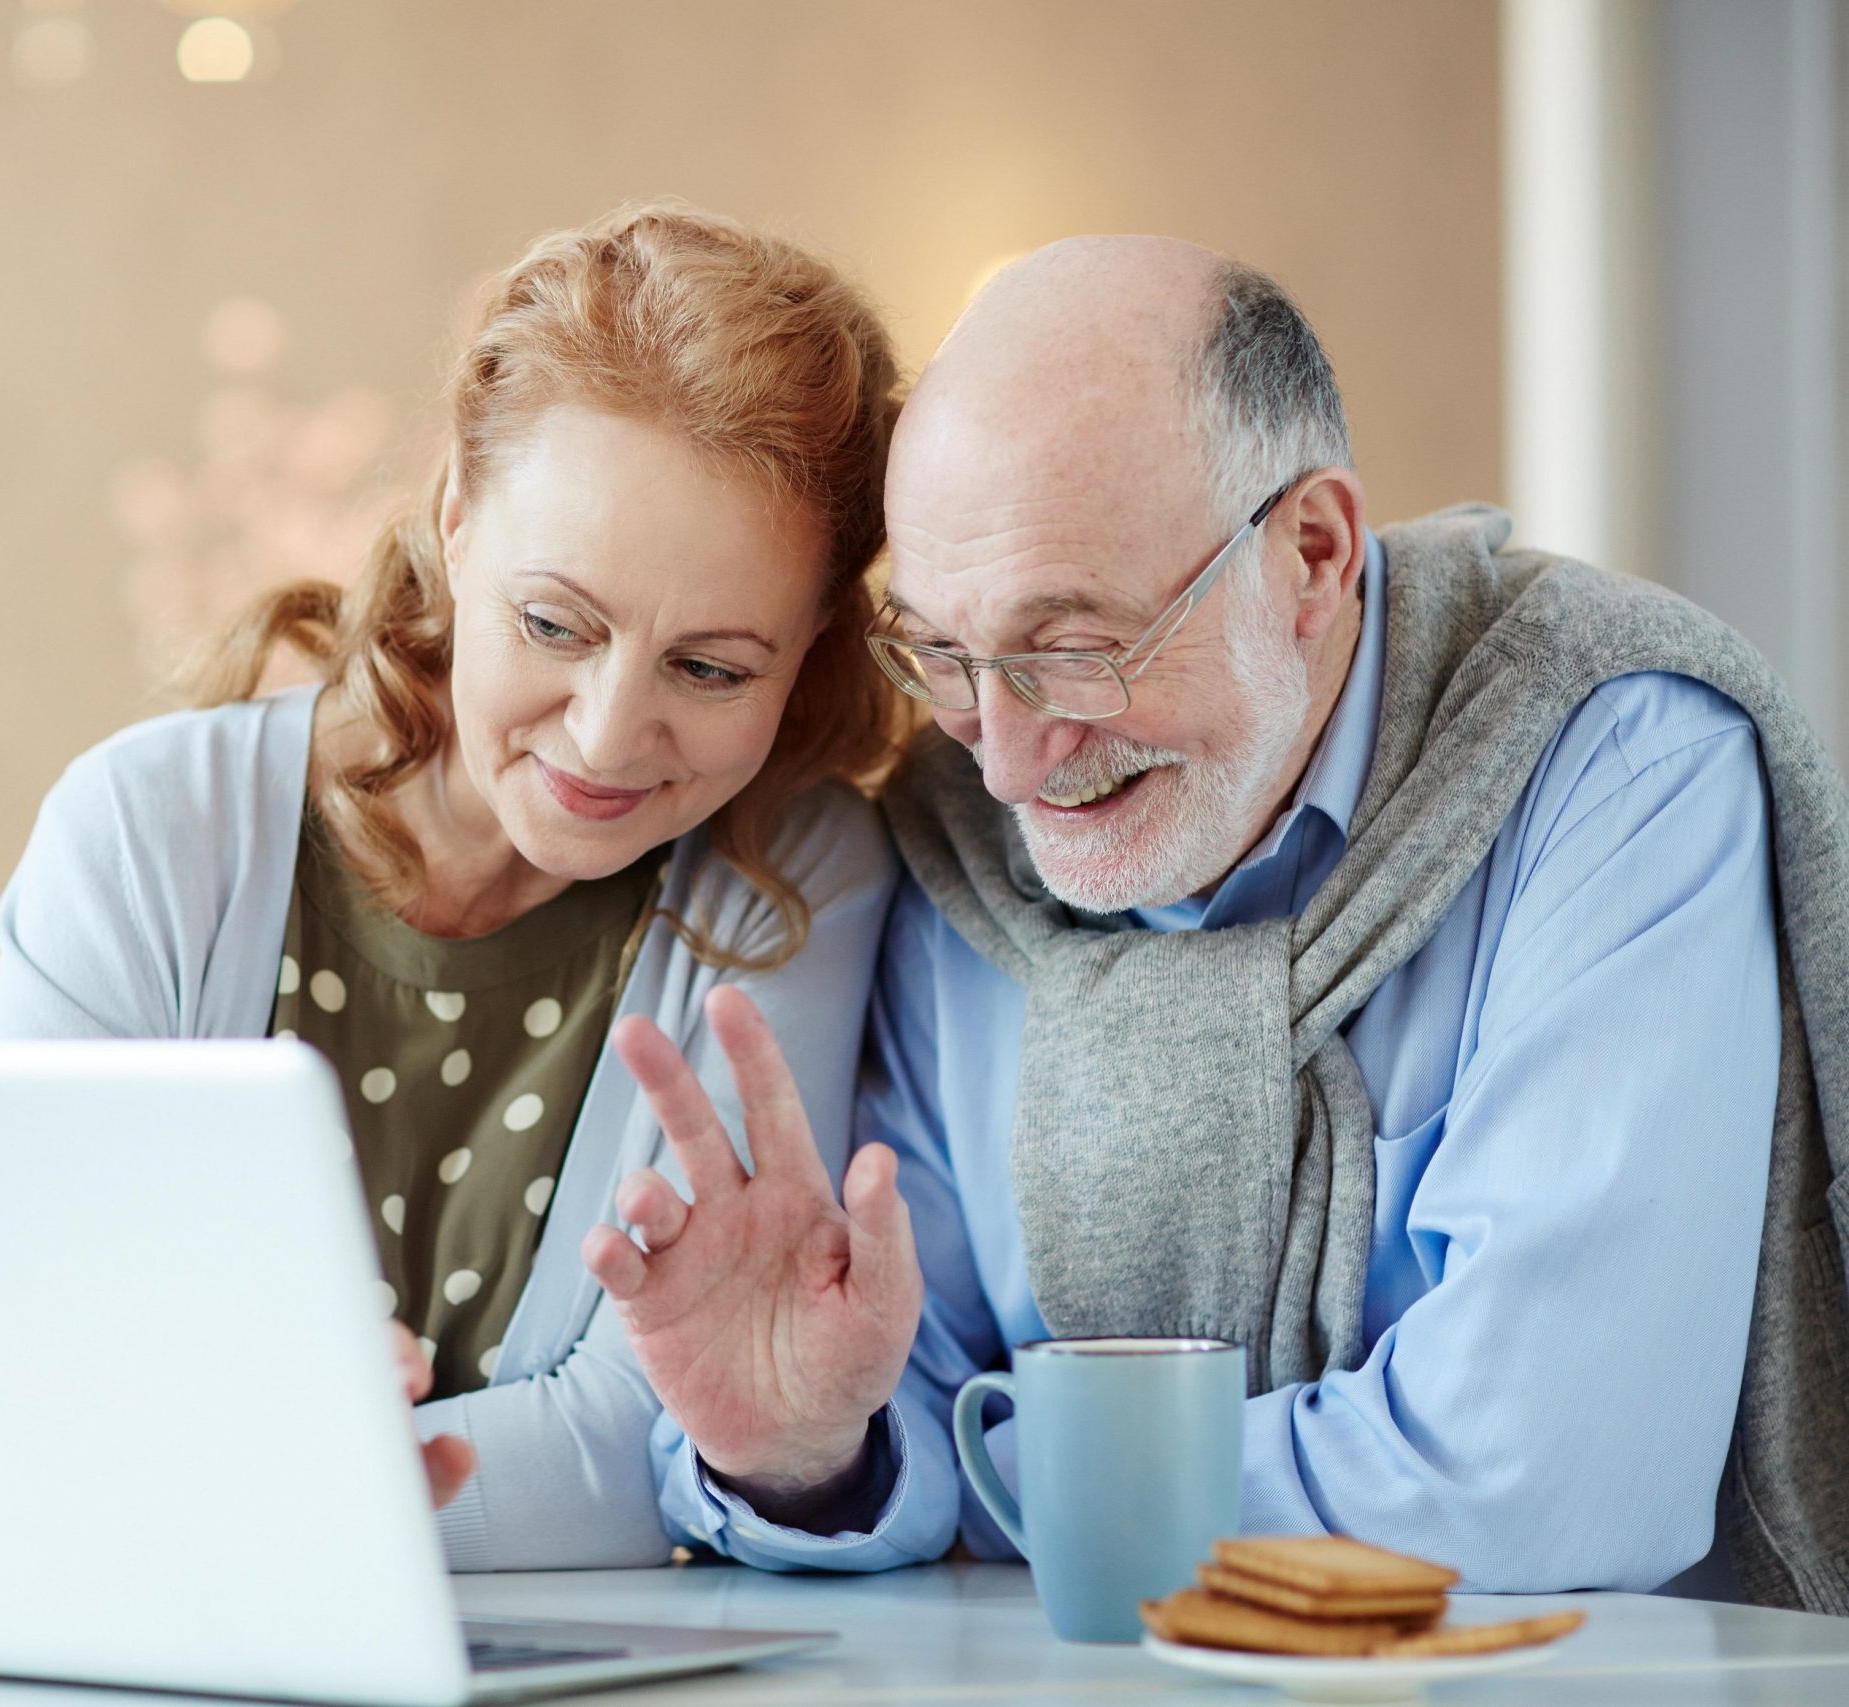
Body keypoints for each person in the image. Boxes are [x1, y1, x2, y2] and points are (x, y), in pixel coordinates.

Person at [583, 235, 1849, 1611]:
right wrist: (814, 1454)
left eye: (1076, 648)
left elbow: (1540, 1477)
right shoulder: (954, 841)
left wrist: (1023, 1473)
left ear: (1311, 555)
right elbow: (907, 1412)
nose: (1008, 760)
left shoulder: (1618, 764)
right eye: (943, 652)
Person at [0, 203, 906, 1568]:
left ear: (810, 642)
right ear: (457, 524)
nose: (607, 738)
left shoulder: (795, 870)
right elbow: (12, 1359)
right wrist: (304, 1491)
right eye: (554, 623)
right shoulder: (148, 832)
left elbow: (655, 1438)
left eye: (712, 669)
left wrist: (270, 1488)